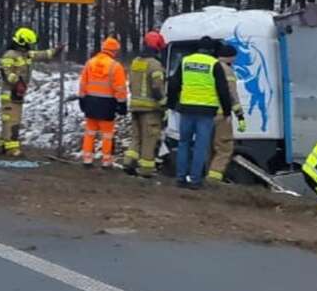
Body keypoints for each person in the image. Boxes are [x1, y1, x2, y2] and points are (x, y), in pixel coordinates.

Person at [167, 36, 235, 189]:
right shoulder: (214, 64)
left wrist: (171, 104)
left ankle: (180, 178)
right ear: (211, 50)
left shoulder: (186, 61)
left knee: (183, 143)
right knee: (200, 146)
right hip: (206, 111)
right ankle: (195, 180)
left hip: (186, 109)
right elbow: (223, 90)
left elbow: (173, 84)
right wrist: (226, 111)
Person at [0, 27, 60, 157]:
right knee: (12, 120)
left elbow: (41, 54)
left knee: (8, 119)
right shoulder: (10, 55)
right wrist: (17, 83)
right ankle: (11, 149)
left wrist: (55, 51)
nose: (29, 46)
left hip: (16, 92)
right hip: (10, 92)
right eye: (28, 43)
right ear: (21, 42)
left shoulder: (24, 54)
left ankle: (4, 145)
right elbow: (6, 73)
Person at [78, 37, 128, 168]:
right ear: (115, 51)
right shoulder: (116, 66)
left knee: (89, 132)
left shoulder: (90, 63)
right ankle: (106, 161)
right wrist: (122, 104)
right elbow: (120, 88)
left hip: (90, 102)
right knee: (107, 134)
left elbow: (83, 83)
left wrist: (82, 99)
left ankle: (87, 159)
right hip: (107, 104)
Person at [124, 30, 167, 177]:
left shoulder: (136, 62)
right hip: (150, 109)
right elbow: (157, 87)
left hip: (135, 106)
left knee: (136, 137)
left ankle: (129, 161)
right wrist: (163, 103)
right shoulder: (155, 64)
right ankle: (146, 169)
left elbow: (130, 84)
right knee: (149, 138)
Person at [207, 42, 247, 182]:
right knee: (224, 148)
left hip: (205, 114)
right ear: (230, 57)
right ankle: (214, 179)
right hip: (221, 115)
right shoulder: (227, 70)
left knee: (208, 147)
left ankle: (205, 175)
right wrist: (239, 115)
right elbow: (231, 94)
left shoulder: (209, 66)